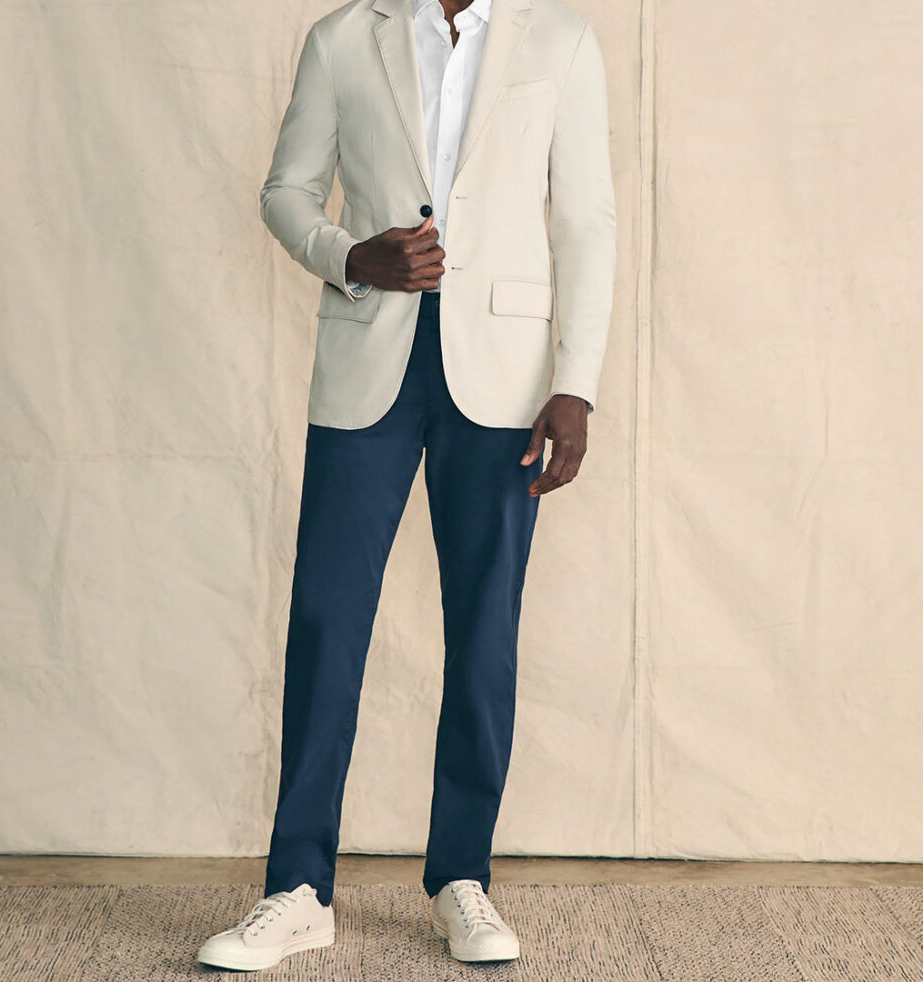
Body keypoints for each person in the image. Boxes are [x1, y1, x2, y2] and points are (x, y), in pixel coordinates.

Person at [198, 0, 615, 969]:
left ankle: (461, 876)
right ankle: (298, 888)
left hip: (504, 376)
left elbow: (585, 220)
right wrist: (352, 255)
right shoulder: (343, 38)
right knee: (326, 620)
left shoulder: (560, 42)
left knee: (485, 630)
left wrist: (577, 383)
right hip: (367, 361)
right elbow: (286, 192)